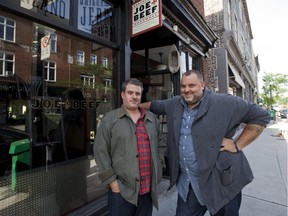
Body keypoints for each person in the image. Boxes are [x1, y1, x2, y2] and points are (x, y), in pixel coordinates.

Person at [140, 70, 270, 216]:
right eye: (183, 86)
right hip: (189, 184)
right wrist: (132, 106)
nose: (186, 90)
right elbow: (154, 105)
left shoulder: (224, 102)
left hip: (220, 182)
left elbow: (261, 116)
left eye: (191, 85)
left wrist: (237, 145)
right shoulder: (175, 104)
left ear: (202, 85)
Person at [93, 78, 166, 216]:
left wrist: (159, 164)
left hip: (147, 190)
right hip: (122, 192)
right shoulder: (110, 119)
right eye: (130, 92)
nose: (134, 96)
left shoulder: (151, 119)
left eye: (137, 94)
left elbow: (161, 143)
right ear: (122, 94)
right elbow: (100, 151)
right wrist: (113, 183)